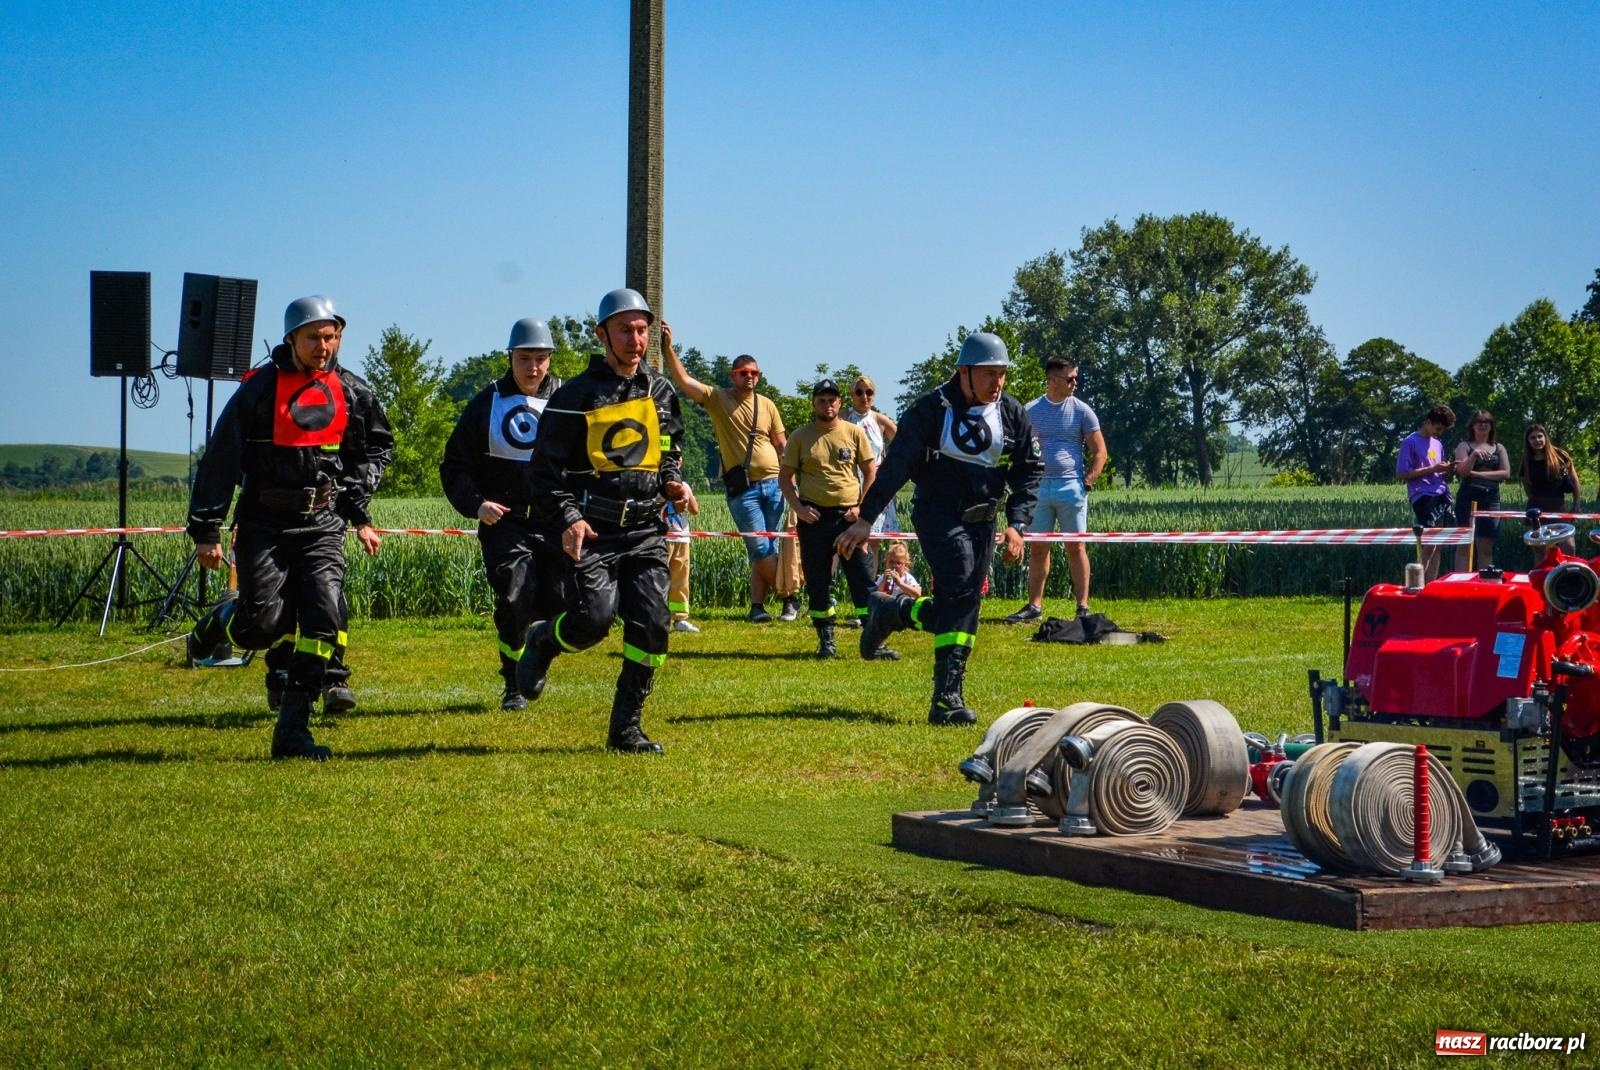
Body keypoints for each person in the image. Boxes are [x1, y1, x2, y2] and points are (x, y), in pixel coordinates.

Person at [186, 296, 393, 760]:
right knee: (263, 624)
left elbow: (377, 448)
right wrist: (207, 528)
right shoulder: (259, 390)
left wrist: (354, 500)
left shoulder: (354, 391)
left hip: (322, 522)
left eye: (331, 336)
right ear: (291, 340)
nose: (324, 346)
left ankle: (292, 732)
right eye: (314, 337)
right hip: (264, 520)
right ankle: (220, 621)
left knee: (325, 618)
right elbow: (221, 457)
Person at [515, 288, 690, 755]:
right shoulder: (575, 395)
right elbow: (544, 473)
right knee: (593, 621)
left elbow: (670, 451)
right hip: (593, 531)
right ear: (602, 334)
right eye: (625, 330)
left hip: (646, 531)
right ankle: (541, 641)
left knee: (653, 628)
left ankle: (626, 729)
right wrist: (569, 518)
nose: (635, 340)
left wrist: (673, 481)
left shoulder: (660, 391)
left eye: (641, 330)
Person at [837, 332, 1042, 726]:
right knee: (963, 589)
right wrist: (866, 518)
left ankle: (893, 611)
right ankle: (946, 697)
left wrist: (1017, 524)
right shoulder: (928, 411)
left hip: (984, 521)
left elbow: (1029, 471)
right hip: (938, 514)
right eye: (987, 374)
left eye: (1001, 374)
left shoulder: (1012, 413)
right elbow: (895, 467)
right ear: (963, 371)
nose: (996, 383)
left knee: (964, 601)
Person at [439, 318, 565, 710]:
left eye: (540, 359)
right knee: (515, 596)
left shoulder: (568, 399)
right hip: (505, 522)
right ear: (510, 357)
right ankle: (512, 684)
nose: (533, 368)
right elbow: (454, 464)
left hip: (556, 519)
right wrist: (476, 504)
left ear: (550, 360)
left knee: (563, 601)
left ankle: (537, 652)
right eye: (524, 358)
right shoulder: (486, 402)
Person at [661, 345, 790, 622]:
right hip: (744, 489)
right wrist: (667, 349)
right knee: (759, 546)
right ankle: (790, 595)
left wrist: (791, 478)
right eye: (744, 373)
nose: (750, 377)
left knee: (768, 549)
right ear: (733, 375)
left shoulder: (767, 404)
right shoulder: (718, 398)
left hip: (774, 483)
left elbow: (781, 443)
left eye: (754, 373)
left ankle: (757, 608)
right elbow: (684, 382)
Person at [779, 378, 885, 659]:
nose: (828, 405)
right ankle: (826, 641)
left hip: (849, 518)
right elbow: (785, 478)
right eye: (822, 400)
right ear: (814, 403)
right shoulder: (800, 437)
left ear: (840, 402)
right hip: (814, 519)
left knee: (862, 579)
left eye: (832, 400)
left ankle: (873, 641)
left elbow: (871, 472)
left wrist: (862, 509)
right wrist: (799, 509)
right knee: (818, 581)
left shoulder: (854, 432)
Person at [1005, 356, 1107, 623]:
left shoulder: (1083, 411)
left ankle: (1082, 607)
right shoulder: (1030, 410)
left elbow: (1100, 451)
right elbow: (1019, 449)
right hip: (1038, 489)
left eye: (1076, 378)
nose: (1075, 383)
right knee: (1039, 548)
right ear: (1052, 380)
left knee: (1076, 547)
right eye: (1069, 379)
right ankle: (1034, 606)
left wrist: (1087, 482)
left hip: (1071, 486)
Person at [1395, 403, 1456, 582]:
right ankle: (1418, 584)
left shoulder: (1438, 443)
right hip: (1422, 495)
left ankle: (1432, 584)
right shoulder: (1410, 442)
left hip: (1441, 493)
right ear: (1428, 422)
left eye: (1442, 430)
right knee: (1428, 544)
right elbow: (1401, 474)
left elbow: (1437, 470)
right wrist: (1432, 469)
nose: (1439, 433)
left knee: (1438, 544)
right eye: (1437, 428)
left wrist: (1444, 470)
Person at [845, 374, 899, 574]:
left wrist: (891, 469)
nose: (864, 396)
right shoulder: (843, 417)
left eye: (869, 392)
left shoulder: (879, 419)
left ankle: (874, 588)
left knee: (874, 540)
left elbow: (904, 444)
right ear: (852, 395)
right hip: (850, 482)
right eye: (859, 392)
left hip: (876, 484)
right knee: (855, 540)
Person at [1452, 409, 1510, 570]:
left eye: (1487, 422)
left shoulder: (1499, 448)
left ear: (1491, 426)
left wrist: (1478, 474)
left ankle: (1485, 583)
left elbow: (1505, 473)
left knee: (1486, 546)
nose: (1483, 425)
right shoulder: (1464, 446)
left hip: (1491, 499)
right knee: (1465, 544)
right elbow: (1462, 471)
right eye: (1479, 422)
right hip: (1468, 498)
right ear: (1472, 426)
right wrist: (1474, 456)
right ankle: (1461, 583)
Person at [1520, 424, 1582, 515]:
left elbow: (1575, 481)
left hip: (1558, 507)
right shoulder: (1526, 461)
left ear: (1545, 437)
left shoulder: (1560, 456)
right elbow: (1527, 487)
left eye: (1540, 436)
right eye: (1532, 438)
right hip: (1535, 509)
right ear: (1528, 441)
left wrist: (1577, 504)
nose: (1537, 440)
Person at [664, 495, 699, 633]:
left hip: (683, 538)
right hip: (662, 537)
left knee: (681, 580)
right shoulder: (658, 487)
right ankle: (655, 616)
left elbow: (694, 510)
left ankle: (680, 618)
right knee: (658, 579)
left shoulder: (684, 486)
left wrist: (687, 496)